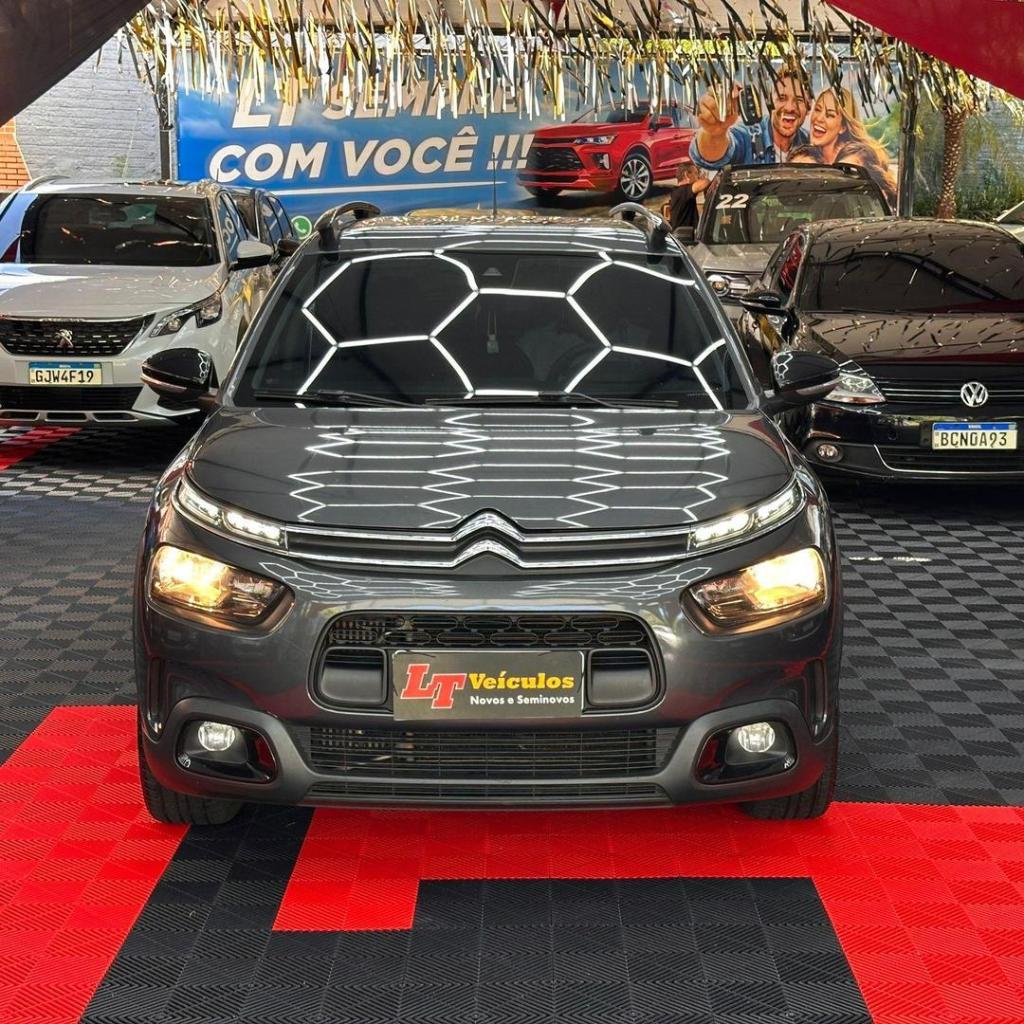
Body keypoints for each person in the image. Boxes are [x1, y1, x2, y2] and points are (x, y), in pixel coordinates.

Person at [689, 67, 811, 171]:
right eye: (782, 98)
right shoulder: (748, 135)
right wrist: (714, 133)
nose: (790, 108)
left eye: (799, 100)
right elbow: (712, 158)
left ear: (808, 107)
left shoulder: (810, 144)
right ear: (769, 101)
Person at [835, 139, 899, 211]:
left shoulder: (878, 199)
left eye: (851, 170)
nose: (844, 175)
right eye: (840, 168)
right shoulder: (830, 195)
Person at [664, 162, 710, 231]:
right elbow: (705, 183)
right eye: (696, 173)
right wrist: (704, 179)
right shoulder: (681, 192)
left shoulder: (681, 193)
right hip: (683, 236)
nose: (698, 177)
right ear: (687, 175)